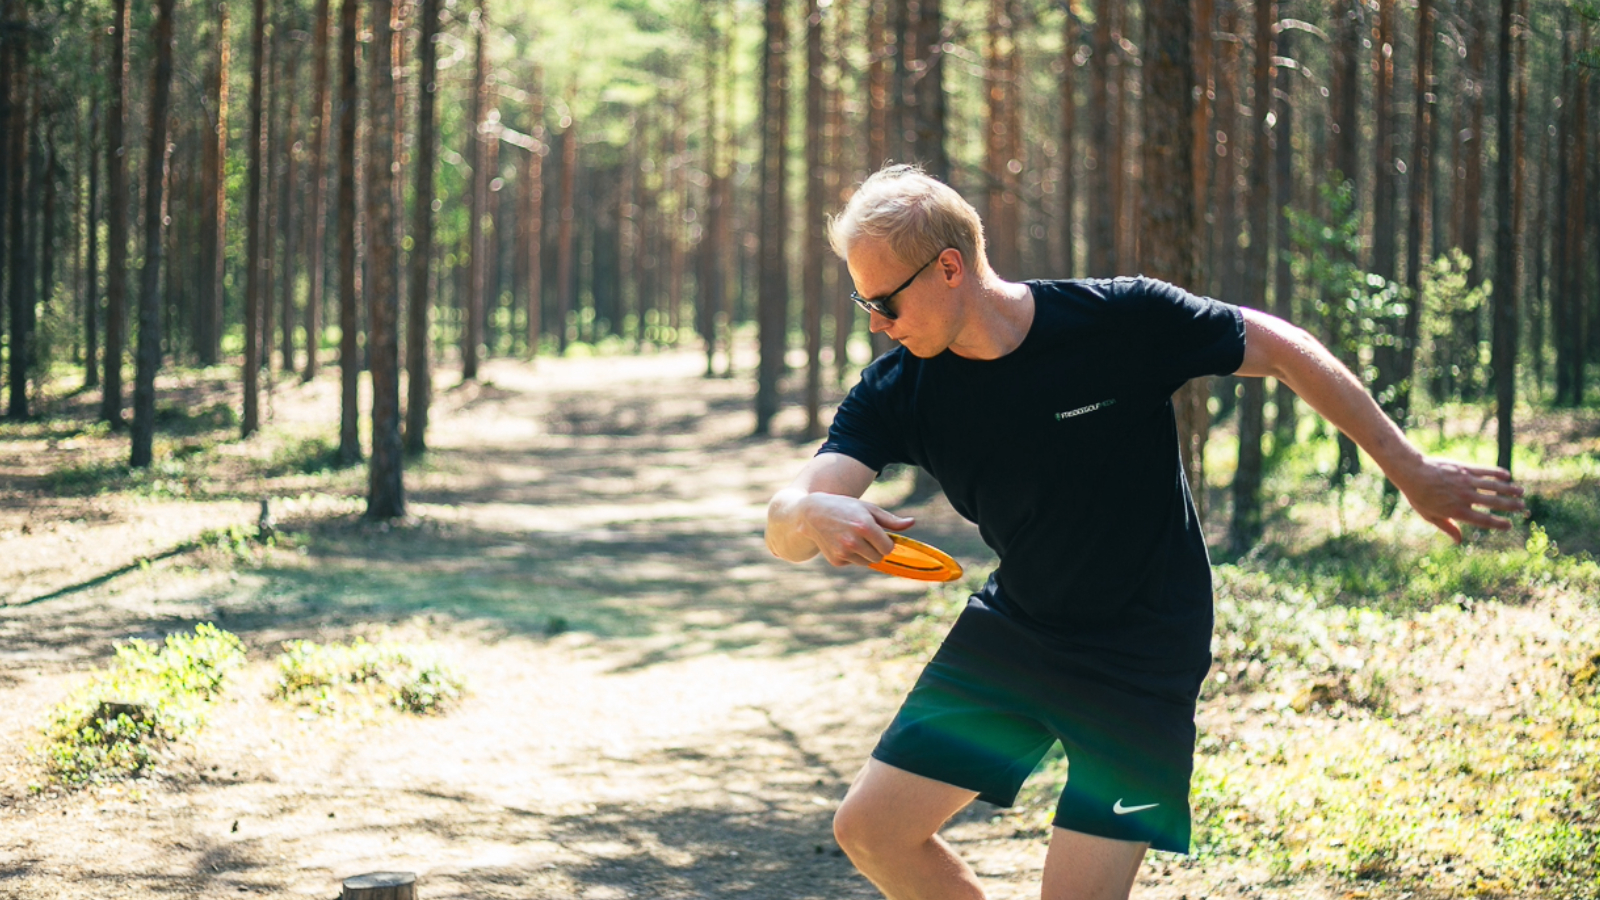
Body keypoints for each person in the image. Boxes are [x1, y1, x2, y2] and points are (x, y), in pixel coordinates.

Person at [763, 165, 1525, 900]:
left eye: (884, 303)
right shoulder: (900, 391)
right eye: (867, 306)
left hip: (1143, 654)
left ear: (950, 268)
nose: (877, 324)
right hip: (1021, 630)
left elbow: (1281, 347)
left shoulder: (1117, 321)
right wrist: (809, 514)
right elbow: (788, 521)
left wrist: (1409, 467)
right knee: (871, 831)